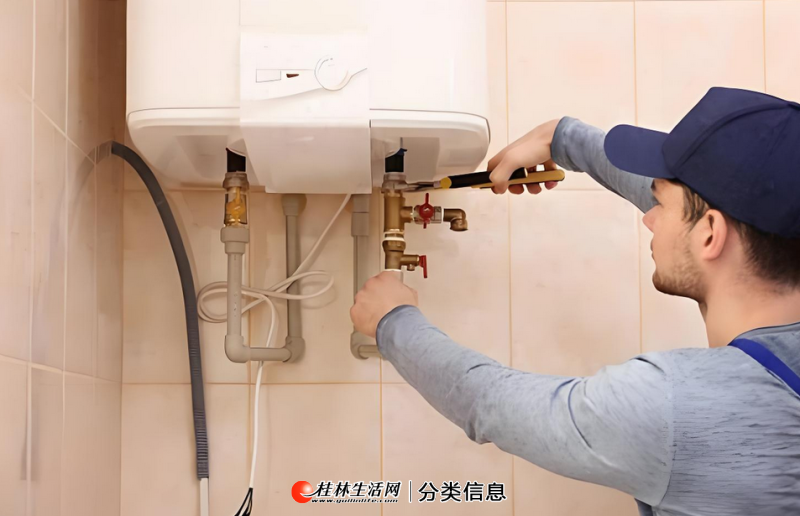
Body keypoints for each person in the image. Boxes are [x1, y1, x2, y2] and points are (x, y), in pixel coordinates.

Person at [349, 87, 800, 516]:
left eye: (661, 205)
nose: (649, 219)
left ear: (710, 234)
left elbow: (488, 403)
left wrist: (394, 323)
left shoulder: (673, 407)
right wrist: (563, 139)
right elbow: (718, 217)